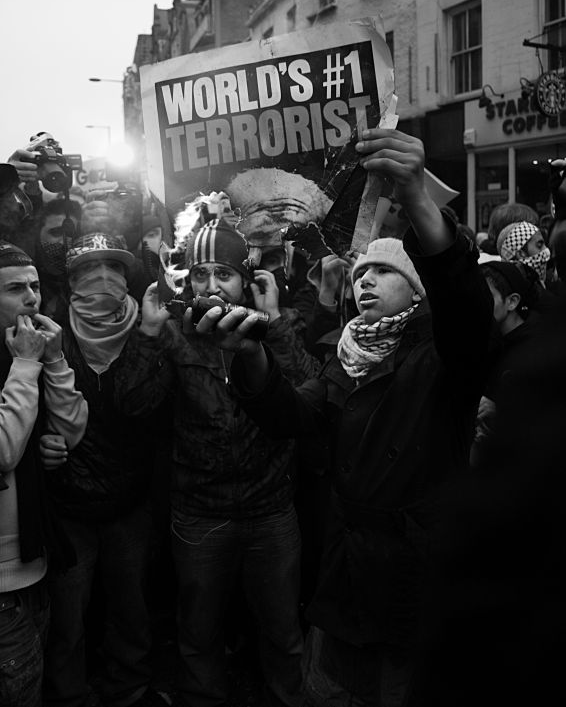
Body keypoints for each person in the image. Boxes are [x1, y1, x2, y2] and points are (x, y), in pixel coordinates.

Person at [190, 128, 494, 706]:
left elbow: (466, 303)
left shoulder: (444, 356)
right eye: (359, 276)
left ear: (417, 291)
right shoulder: (347, 355)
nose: (364, 283)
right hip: (347, 570)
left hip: (418, 571)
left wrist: (418, 200)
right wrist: (252, 356)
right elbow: (292, 416)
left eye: (383, 274)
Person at [115, 217, 314, 707]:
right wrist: (146, 332)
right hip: (201, 514)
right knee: (198, 638)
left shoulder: (269, 326)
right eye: (200, 274)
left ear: (244, 279)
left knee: (283, 633)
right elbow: (133, 406)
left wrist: (277, 322)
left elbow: (309, 400)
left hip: (270, 511)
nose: (210, 285)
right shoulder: (176, 336)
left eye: (223, 274)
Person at [42, 233, 167, 707]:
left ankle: (129, 689)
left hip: (130, 498)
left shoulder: (148, 325)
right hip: (70, 501)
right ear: (70, 280)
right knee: (68, 616)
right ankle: (69, 695)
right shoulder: (50, 327)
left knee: (131, 606)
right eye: (89, 271)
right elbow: (28, 399)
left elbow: (148, 408)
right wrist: (41, 443)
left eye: (113, 269)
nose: (102, 279)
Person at [0, 240, 87, 707]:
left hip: (35, 562)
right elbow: (3, 451)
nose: (33, 297)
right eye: (16, 289)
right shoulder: (20, 361)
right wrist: (29, 363)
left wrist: (52, 361)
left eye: (34, 285)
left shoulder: (25, 356)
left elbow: (72, 429)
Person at [471, 261, 540, 468]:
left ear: (512, 302)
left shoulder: (538, 349)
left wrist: (499, 410)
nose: (477, 305)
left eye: (486, 298)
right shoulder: (487, 340)